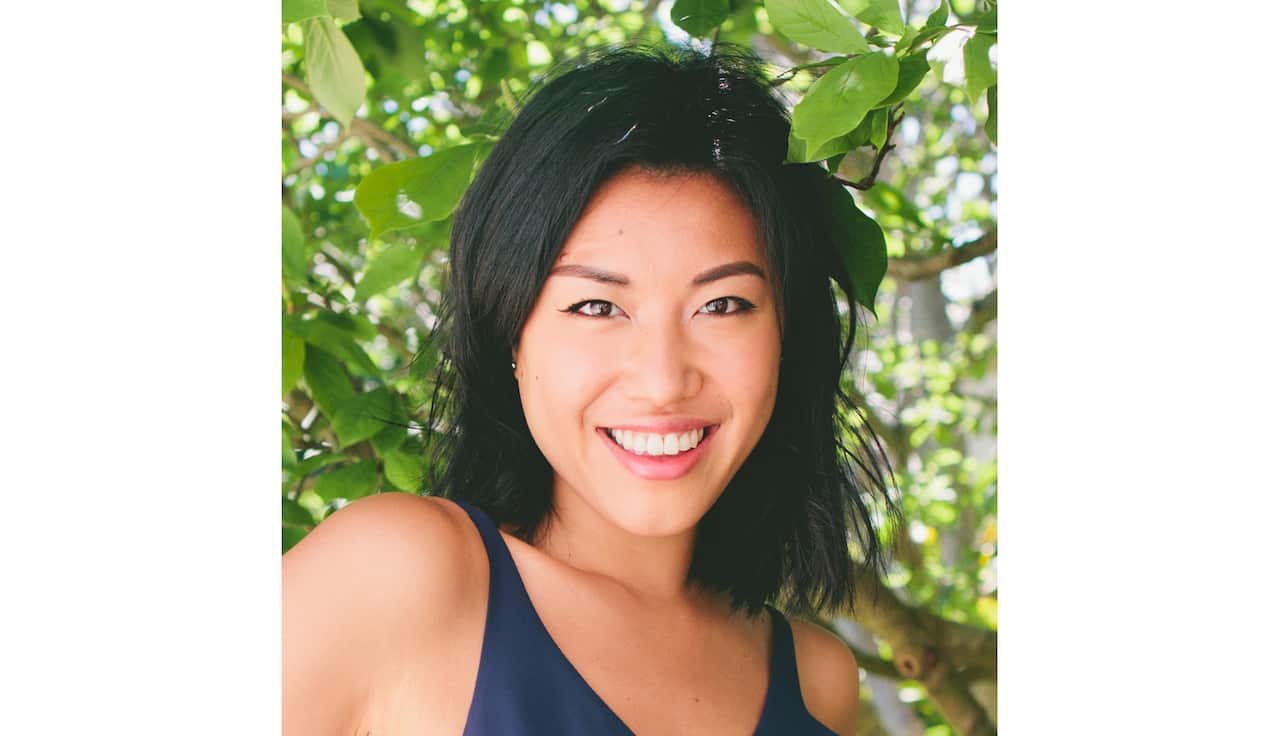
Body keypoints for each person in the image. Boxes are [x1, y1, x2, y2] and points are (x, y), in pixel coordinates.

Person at [283, 43, 896, 736]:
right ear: (510, 333)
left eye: (723, 305)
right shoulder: (399, 579)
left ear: (788, 336)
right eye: (597, 307)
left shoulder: (819, 682)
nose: (663, 382)